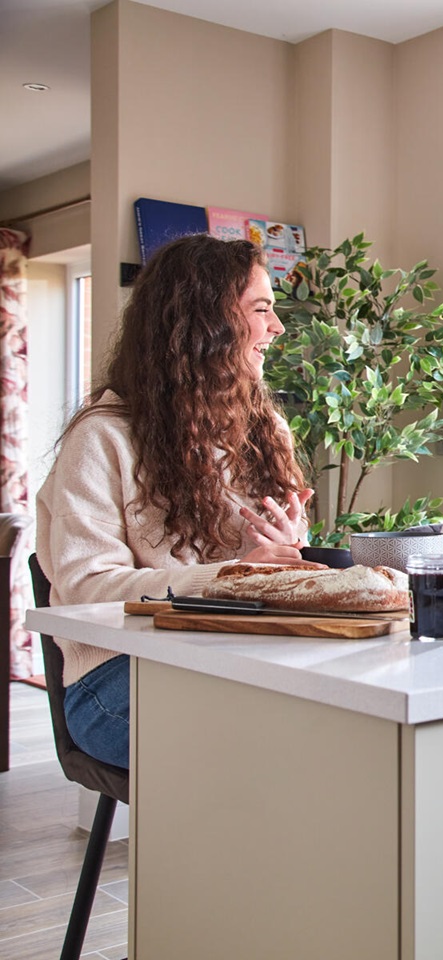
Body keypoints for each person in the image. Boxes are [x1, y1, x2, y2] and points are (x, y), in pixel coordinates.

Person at [35, 234, 318, 769]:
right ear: (206, 323)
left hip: (238, 658)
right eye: (262, 309)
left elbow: (267, 572)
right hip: (119, 675)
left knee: (335, 726)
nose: (276, 328)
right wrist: (234, 574)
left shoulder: (265, 430)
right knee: (271, 749)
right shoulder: (103, 438)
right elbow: (85, 587)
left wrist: (288, 550)